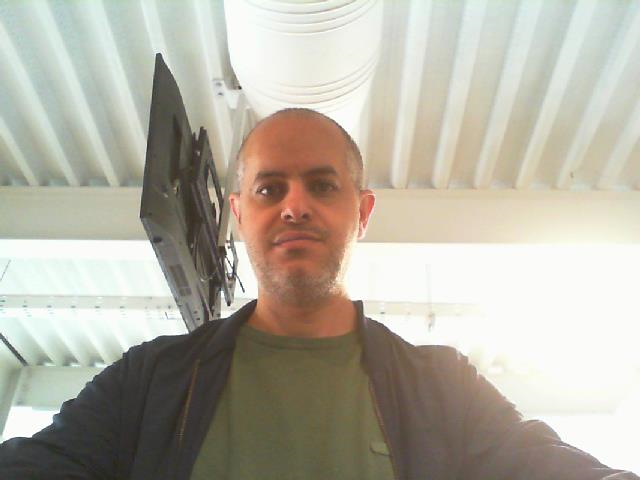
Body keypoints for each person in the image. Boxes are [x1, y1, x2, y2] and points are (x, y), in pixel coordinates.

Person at [0, 108, 637, 480]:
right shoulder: (152, 381)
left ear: (362, 212)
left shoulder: (442, 387)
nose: (295, 206)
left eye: (323, 186)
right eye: (269, 189)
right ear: (239, 214)